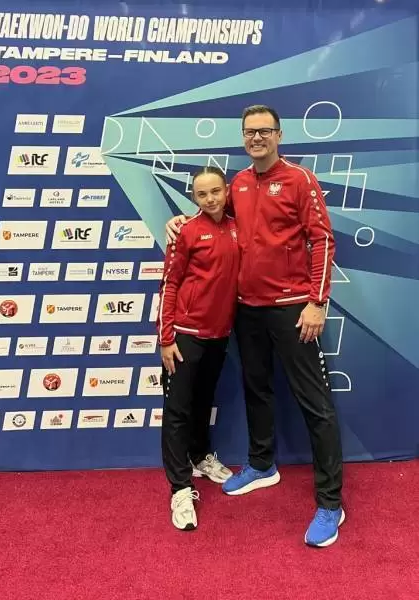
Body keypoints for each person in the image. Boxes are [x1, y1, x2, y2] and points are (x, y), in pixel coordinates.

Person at [165, 105, 345, 547]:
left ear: (279, 135)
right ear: (243, 137)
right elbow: (212, 218)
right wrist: (179, 220)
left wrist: (317, 301)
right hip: (246, 309)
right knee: (256, 389)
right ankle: (262, 464)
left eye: (265, 130)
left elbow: (322, 239)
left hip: (293, 308)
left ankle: (331, 503)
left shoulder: (300, 179)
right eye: (250, 131)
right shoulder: (239, 184)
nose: (257, 137)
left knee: (315, 405)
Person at [157, 166, 239, 531]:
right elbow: (169, 284)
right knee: (178, 411)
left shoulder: (238, 227)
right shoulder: (186, 231)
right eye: (202, 194)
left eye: (215, 191)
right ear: (193, 197)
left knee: (204, 402)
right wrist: (166, 338)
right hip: (184, 335)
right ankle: (179, 487)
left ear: (226, 191)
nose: (210, 199)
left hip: (219, 334)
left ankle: (201, 457)